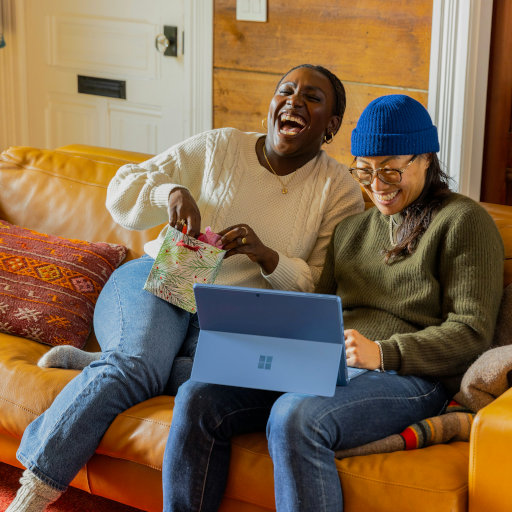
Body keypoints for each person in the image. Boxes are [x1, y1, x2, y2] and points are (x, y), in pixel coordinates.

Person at [6, 64, 364, 512]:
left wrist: (267, 256)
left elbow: (318, 285)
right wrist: (170, 194)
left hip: (233, 314)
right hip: (161, 276)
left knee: (213, 380)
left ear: (331, 125)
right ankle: (32, 493)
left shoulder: (341, 192)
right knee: (138, 365)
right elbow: (122, 190)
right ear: (272, 105)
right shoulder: (220, 146)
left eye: (312, 98)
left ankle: (103, 362)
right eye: (286, 91)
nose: (294, 101)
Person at [161, 94, 504, 512]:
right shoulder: (351, 232)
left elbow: (472, 332)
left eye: (391, 171)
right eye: (365, 171)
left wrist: (384, 353)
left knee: (295, 416)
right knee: (198, 394)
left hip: (411, 375)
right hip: (330, 364)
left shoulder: (464, 221)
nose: (377, 186)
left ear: (426, 159)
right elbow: (317, 313)